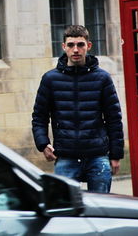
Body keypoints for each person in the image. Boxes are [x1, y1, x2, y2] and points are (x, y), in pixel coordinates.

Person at [32, 25, 124, 193]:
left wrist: (116, 155)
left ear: (88, 46)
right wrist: (43, 144)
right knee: (65, 213)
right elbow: (39, 116)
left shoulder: (102, 78)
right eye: (71, 45)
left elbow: (114, 118)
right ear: (63, 47)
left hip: (97, 156)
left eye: (80, 44)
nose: (76, 49)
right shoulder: (50, 79)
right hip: (65, 157)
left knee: (101, 210)